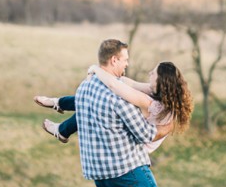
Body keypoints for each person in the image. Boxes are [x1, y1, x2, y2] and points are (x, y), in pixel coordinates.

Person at [74, 39, 177, 187]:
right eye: (125, 60)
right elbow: (144, 134)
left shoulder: (84, 87)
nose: (127, 64)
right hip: (128, 170)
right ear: (114, 60)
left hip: (100, 174)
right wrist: (165, 128)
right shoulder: (118, 98)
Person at [37, 60, 193, 149]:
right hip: (133, 135)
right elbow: (129, 83)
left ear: (161, 81)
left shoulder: (152, 104)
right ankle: (59, 105)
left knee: (99, 103)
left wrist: (96, 70)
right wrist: (112, 76)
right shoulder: (166, 96)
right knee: (103, 96)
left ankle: (62, 123)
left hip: (132, 146)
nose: (149, 74)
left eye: (153, 73)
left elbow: (116, 87)